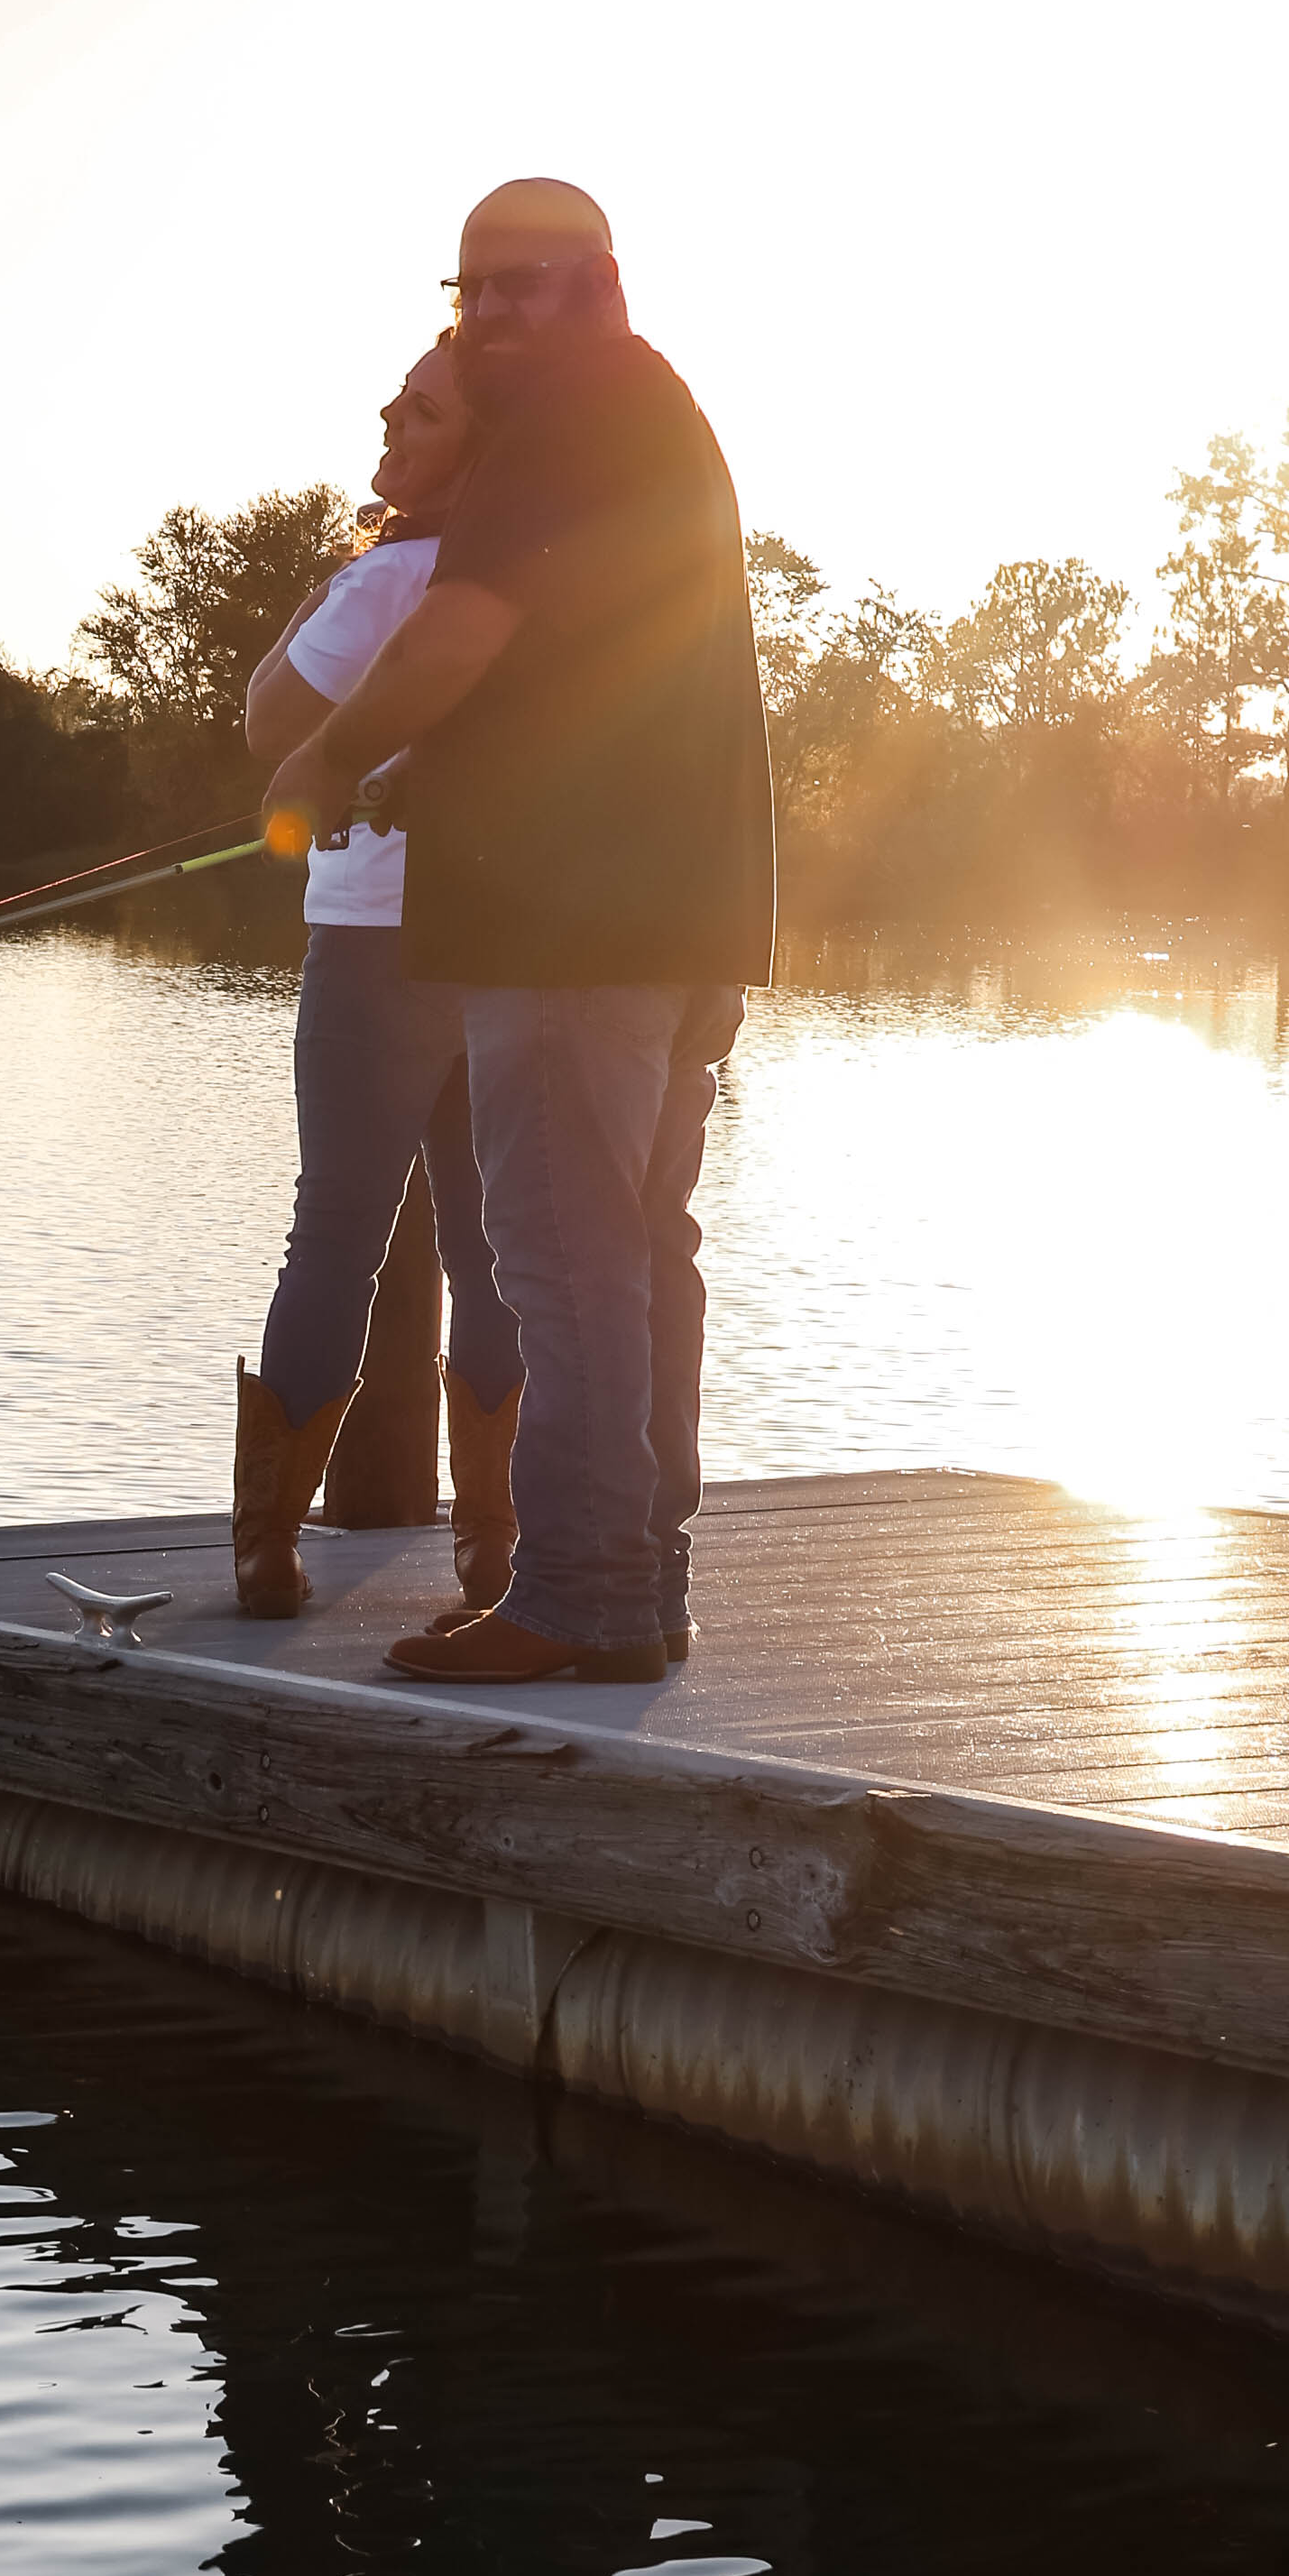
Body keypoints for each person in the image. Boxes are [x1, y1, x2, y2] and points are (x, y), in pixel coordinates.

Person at [258, 176, 772, 1687]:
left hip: (573, 925)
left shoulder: (559, 424)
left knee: (558, 1256)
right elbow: (583, 672)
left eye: (526, 284)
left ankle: (582, 1596)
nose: (491, 314)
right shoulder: (650, 418)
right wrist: (434, 772)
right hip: (679, 910)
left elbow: (466, 628)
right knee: (636, 1247)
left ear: (602, 283)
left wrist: (327, 759)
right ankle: (637, 1586)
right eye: (471, 289)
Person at [228, 343, 523, 1618]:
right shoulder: (536, 588)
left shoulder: (388, 578)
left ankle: (267, 1551)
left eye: (423, 409)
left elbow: (263, 722)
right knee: (496, 1250)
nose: (391, 419)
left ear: (480, 444)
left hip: (371, 948)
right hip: (509, 948)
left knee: (335, 1234)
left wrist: (333, 578)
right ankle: (498, 1549)